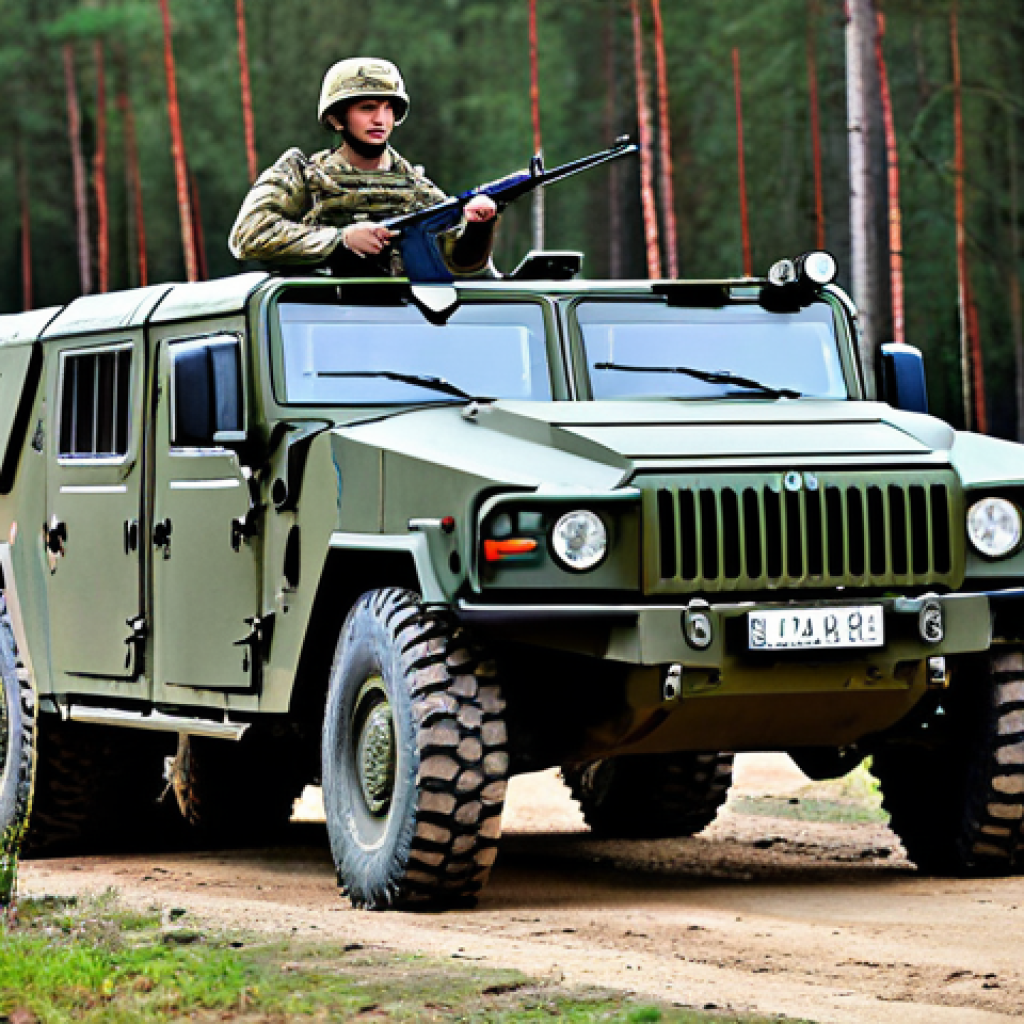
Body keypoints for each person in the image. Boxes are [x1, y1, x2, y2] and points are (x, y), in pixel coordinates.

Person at [229, 57, 497, 277]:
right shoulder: (303, 176)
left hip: (402, 323)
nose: (380, 120)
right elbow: (248, 236)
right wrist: (340, 240)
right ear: (337, 119)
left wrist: (479, 226)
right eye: (367, 108)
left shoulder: (416, 189)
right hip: (313, 322)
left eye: (388, 109)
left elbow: (461, 266)